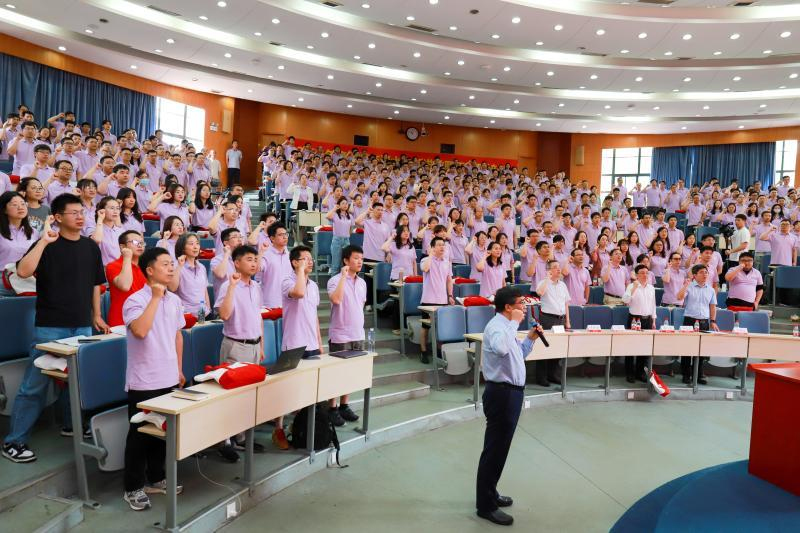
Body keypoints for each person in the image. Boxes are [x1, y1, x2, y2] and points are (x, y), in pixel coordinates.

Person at [3, 194, 108, 463]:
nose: (80, 217)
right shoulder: (47, 243)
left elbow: (95, 284)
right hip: (51, 326)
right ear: (58, 217)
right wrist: (42, 242)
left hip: (82, 324)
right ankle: (14, 441)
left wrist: (97, 314)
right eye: (74, 213)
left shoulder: (90, 247)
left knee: (76, 382)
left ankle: (71, 425)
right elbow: (23, 272)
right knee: (35, 385)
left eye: (82, 212)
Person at [122, 247, 185, 511]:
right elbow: (140, 330)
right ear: (149, 270)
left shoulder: (175, 300)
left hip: (168, 376)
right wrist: (156, 298)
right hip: (144, 379)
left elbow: (177, 335)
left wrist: (179, 369)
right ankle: (133, 487)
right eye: (165, 264)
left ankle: (157, 478)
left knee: (161, 433)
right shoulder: (135, 300)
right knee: (139, 436)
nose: (171, 268)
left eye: (172, 264)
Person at [475, 286, 542, 526]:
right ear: (508, 307)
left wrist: (530, 339)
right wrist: (514, 323)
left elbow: (516, 355)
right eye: (520, 304)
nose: (524, 308)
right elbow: (502, 348)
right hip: (501, 395)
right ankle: (485, 506)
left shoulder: (506, 327)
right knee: (494, 450)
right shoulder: (497, 327)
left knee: (500, 449)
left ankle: (490, 492)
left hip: (510, 394)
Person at [215, 245, 265, 459]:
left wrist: (261, 345)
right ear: (236, 263)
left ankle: (241, 437)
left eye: (255, 259)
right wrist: (232, 287)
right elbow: (224, 315)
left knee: (248, 395)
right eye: (249, 259)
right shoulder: (228, 285)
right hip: (236, 345)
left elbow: (258, 316)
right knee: (231, 396)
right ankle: (225, 440)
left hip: (254, 345)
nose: (254, 263)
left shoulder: (256, 286)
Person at [277, 245, 322, 449]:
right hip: (293, 344)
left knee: (308, 389)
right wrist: (300, 272)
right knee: (287, 390)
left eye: (311, 259)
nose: (310, 262)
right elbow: (299, 293)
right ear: (294, 262)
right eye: (305, 259)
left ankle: (299, 428)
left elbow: (314, 316)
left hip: (311, 344)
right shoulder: (288, 281)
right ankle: (278, 429)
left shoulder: (314, 285)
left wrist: (319, 343)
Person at [326, 245, 366, 426]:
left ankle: (344, 405)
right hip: (340, 334)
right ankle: (332, 408)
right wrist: (343, 276)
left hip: (357, 333)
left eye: (361, 259)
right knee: (337, 374)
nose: (360, 262)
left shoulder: (362, 283)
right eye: (356, 258)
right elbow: (336, 299)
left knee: (350, 373)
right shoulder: (334, 280)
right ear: (345, 260)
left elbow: (360, 305)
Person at [677, 264, 720, 385]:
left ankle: (699, 374)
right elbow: (679, 297)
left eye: (706, 272)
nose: (705, 274)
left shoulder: (711, 289)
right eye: (701, 272)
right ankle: (686, 374)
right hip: (690, 321)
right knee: (687, 350)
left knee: (702, 350)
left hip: (704, 322)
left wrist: (713, 321)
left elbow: (712, 306)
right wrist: (686, 285)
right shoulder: (689, 287)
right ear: (695, 275)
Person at [535, 260, 571, 387]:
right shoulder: (543, 283)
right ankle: (541, 377)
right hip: (547, 318)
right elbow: (540, 293)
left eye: (559, 267)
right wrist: (547, 278)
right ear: (549, 270)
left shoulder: (563, 285)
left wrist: (567, 321)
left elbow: (566, 303)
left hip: (560, 319)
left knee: (557, 348)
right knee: (544, 347)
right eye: (555, 267)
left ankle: (553, 375)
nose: (558, 269)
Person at [419, 237, 454, 364]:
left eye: (443, 245)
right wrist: (430, 255)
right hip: (428, 300)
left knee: (441, 327)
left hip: (442, 300)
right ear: (433, 247)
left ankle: (439, 350)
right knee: (426, 327)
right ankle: (423, 351)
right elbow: (425, 269)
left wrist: (450, 295)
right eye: (439, 245)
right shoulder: (425, 260)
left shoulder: (447, 262)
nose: (442, 247)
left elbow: (449, 280)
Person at [0, 191, 39, 297]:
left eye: (23, 203)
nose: (20, 207)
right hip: (3, 282)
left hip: (27, 282)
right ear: (4, 209)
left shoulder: (34, 232)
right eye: (14, 204)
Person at [622, 264, 657, 383]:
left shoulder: (651, 288)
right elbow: (625, 300)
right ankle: (629, 373)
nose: (645, 275)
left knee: (644, 348)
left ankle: (640, 372)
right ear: (637, 275)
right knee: (631, 347)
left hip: (647, 320)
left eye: (647, 273)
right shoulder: (632, 286)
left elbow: (653, 305)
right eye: (642, 273)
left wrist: (653, 320)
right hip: (634, 319)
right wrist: (634, 288)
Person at [105, 231, 147, 327]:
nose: (140, 245)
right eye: (135, 242)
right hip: (121, 321)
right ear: (122, 247)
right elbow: (125, 286)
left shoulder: (146, 267)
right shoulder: (112, 266)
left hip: (143, 319)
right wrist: (127, 258)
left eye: (142, 242)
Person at [169, 233, 211, 317]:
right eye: (191, 244)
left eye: (197, 243)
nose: (195, 247)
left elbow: (204, 290)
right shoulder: (176, 266)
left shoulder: (202, 267)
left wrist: (208, 309)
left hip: (203, 314)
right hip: (186, 315)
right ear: (183, 248)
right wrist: (179, 266)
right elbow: (172, 288)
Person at [257, 222, 291, 308]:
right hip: (270, 302)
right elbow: (257, 269)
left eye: (286, 234)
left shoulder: (290, 255)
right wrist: (261, 252)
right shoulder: (265, 254)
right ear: (272, 238)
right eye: (280, 235)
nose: (285, 237)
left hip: (288, 301)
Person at [326, 197, 353, 276]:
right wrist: (335, 208)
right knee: (336, 265)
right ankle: (333, 283)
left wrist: (347, 236)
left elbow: (351, 228)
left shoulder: (350, 216)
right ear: (339, 205)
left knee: (345, 265)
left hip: (346, 240)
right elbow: (327, 216)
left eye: (346, 203)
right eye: (343, 203)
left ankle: (344, 282)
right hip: (337, 240)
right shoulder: (335, 215)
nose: (345, 205)